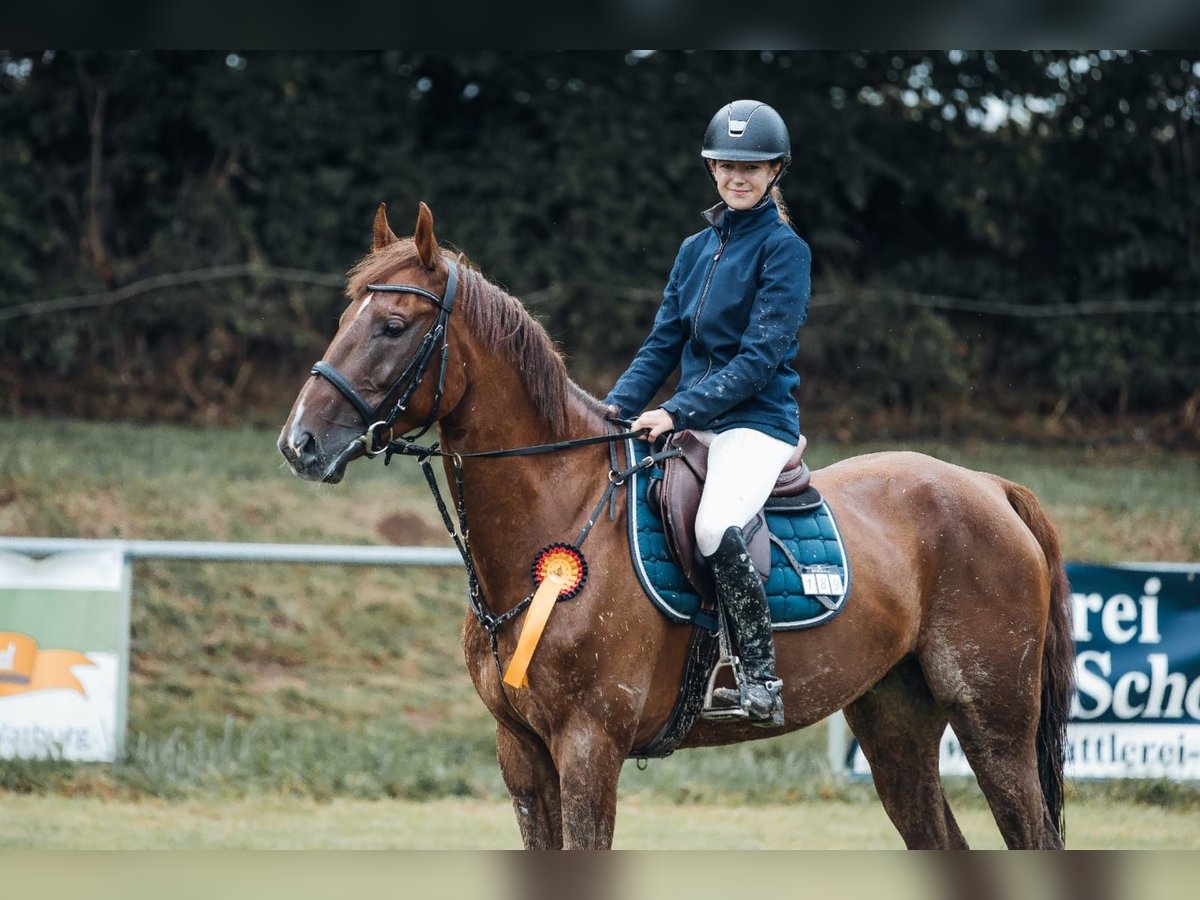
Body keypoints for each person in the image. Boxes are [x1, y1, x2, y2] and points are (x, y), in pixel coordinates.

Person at [605, 99, 811, 727]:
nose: (737, 177)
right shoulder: (695, 248)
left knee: (714, 525)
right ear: (712, 169)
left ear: (775, 171)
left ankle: (758, 677)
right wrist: (611, 407)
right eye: (726, 165)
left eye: (752, 167)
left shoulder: (785, 250)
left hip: (756, 424)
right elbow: (663, 341)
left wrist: (676, 409)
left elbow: (757, 359)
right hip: (695, 422)